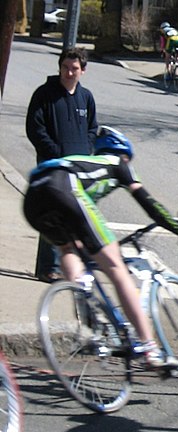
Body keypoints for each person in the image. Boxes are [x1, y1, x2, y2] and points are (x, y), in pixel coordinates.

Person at [22, 126, 178, 370]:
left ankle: (89, 314)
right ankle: (149, 348)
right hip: (64, 188)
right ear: (123, 153)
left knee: (68, 249)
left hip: (34, 196)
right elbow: (148, 203)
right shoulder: (116, 163)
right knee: (116, 268)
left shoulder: (84, 164)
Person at [26, 46, 98, 283]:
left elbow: (92, 128)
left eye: (74, 69)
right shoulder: (44, 94)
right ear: (59, 68)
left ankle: (75, 266)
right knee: (53, 218)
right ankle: (48, 267)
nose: (69, 73)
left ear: (83, 71)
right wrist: (54, 153)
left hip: (77, 168)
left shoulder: (86, 97)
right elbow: (35, 129)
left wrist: (85, 152)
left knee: (76, 217)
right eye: (65, 68)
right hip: (52, 167)